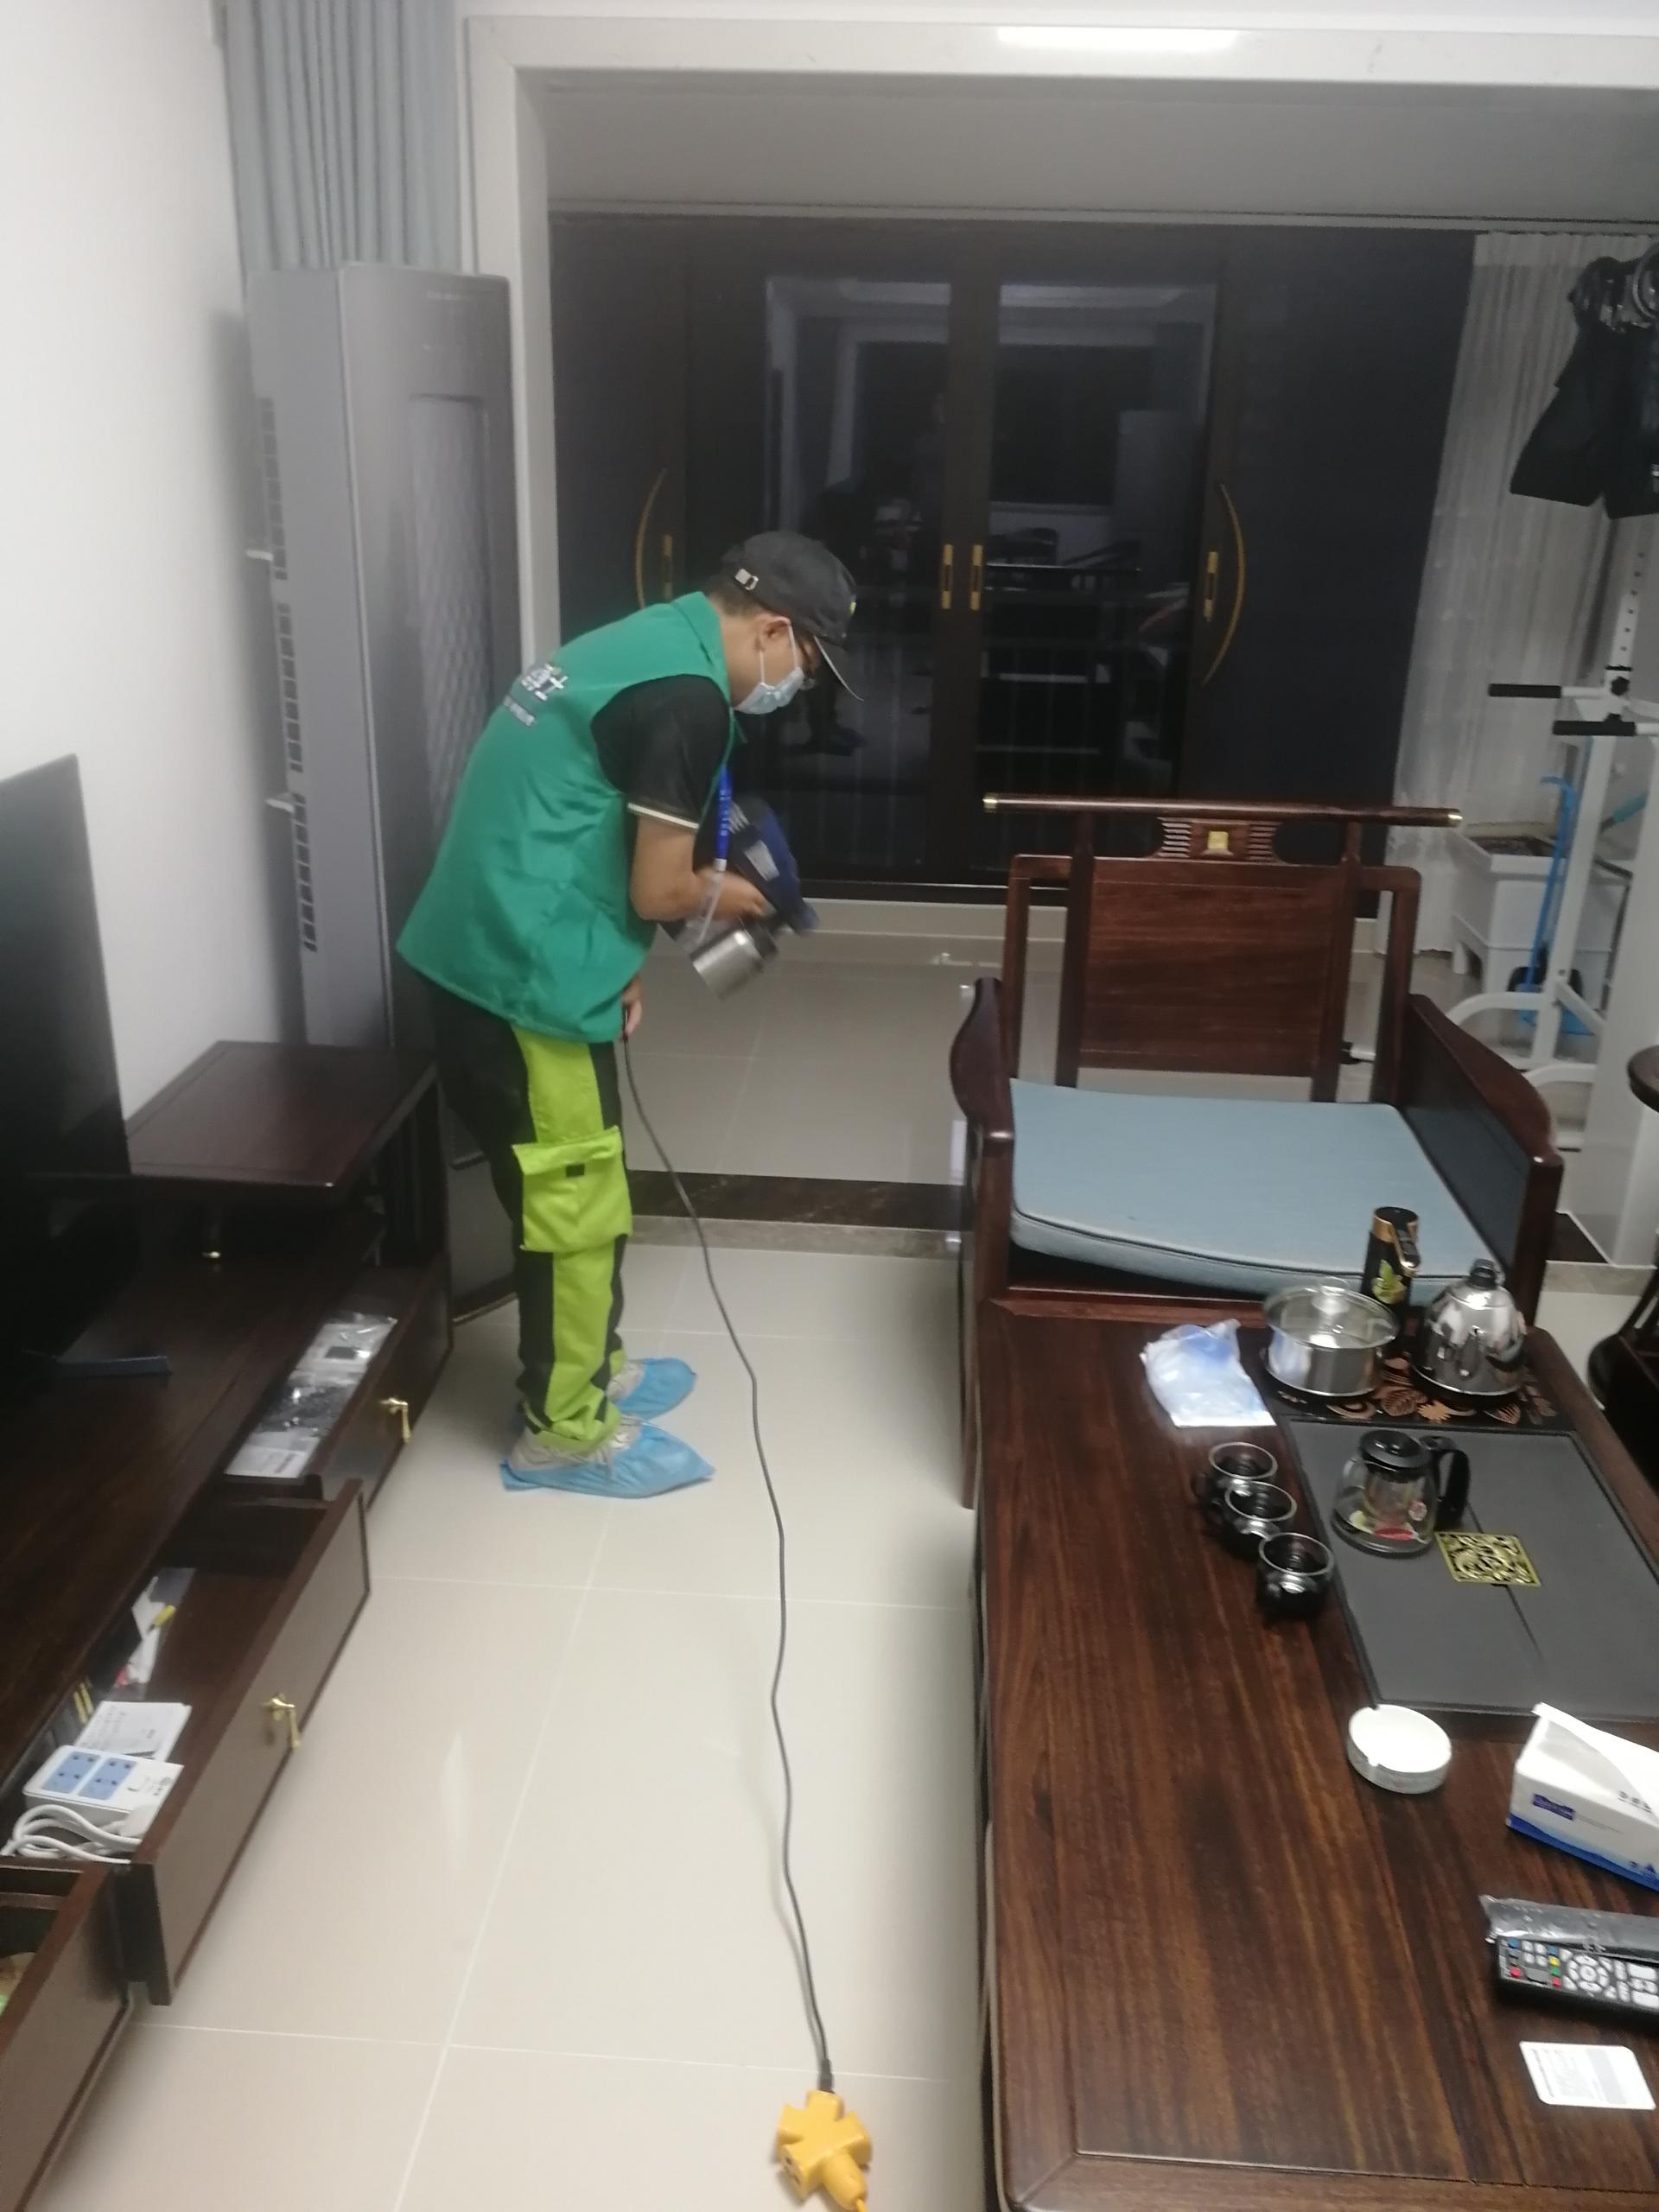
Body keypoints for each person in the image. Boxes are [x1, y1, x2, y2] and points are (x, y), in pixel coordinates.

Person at [397, 532, 858, 1497]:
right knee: (575, 1209)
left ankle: (592, 1367)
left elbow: (581, 812)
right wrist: (742, 898)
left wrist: (616, 957)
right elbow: (660, 886)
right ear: (774, 630)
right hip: (519, 980)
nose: (797, 686)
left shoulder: (650, 641)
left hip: (508, 943)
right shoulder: (688, 698)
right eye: (807, 665)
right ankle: (564, 1431)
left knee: (581, 1186)